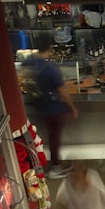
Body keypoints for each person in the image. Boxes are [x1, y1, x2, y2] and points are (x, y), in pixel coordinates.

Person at [23, 33, 78, 178]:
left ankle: (52, 163)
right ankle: (56, 167)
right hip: (53, 109)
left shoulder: (30, 60)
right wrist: (72, 108)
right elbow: (63, 93)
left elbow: (24, 75)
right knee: (54, 137)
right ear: (50, 48)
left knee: (49, 135)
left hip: (39, 105)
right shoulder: (51, 69)